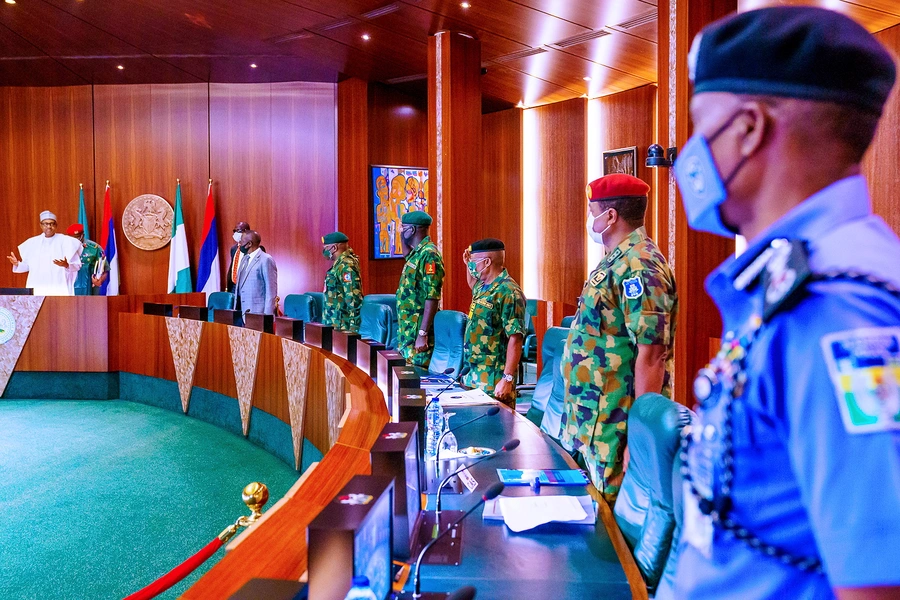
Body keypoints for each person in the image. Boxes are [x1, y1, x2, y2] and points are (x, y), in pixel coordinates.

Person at [658, 7, 900, 599]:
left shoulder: (836, 309)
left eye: (699, 128)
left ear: (749, 128)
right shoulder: (790, 279)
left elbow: (874, 579)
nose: (688, 155)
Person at [559, 174, 678, 503]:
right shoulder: (616, 260)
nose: (589, 217)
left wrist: (639, 437)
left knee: (610, 533)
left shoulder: (642, 266)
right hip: (592, 419)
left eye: (591, 209)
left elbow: (652, 355)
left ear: (610, 216)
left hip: (615, 424)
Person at [461, 238, 526, 409]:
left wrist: (508, 379)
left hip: (493, 379)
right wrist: (468, 263)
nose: (473, 267)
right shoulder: (483, 286)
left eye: (475, 262)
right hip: (473, 375)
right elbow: (471, 283)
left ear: (487, 262)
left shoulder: (508, 291)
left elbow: (516, 338)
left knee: (494, 433)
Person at [396, 210, 444, 368]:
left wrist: (422, 334)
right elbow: (406, 254)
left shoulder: (429, 255)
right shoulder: (416, 254)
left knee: (417, 376)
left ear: (413, 230)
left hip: (418, 330)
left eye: (404, 228)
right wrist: (402, 236)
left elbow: (432, 296)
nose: (401, 231)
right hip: (408, 330)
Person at [7, 211, 82, 296]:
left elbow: (77, 266)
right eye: (46, 224)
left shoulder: (66, 241)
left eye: (52, 224)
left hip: (58, 287)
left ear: (56, 225)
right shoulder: (32, 243)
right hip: (38, 287)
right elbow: (28, 266)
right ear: (41, 225)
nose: (49, 227)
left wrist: (66, 265)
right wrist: (17, 264)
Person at [321, 231, 363, 333]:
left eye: (326, 248)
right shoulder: (339, 264)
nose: (324, 251)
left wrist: (353, 332)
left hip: (342, 326)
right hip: (333, 324)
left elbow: (353, 300)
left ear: (334, 248)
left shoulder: (346, 265)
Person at [234, 231, 277, 316]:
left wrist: (267, 317)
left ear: (249, 244)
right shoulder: (244, 259)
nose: (239, 244)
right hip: (241, 311)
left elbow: (271, 291)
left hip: (257, 313)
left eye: (241, 241)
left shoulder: (266, 259)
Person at [65, 224, 108, 296]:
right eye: (73, 238)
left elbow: (105, 269)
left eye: (79, 237)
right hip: (67, 289)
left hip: (89, 289)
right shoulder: (62, 248)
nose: (76, 240)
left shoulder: (94, 248)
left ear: (83, 235)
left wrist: (100, 280)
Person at [227, 221, 251, 293]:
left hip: (247, 287)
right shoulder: (233, 249)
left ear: (246, 232)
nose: (235, 233)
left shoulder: (253, 249)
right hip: (233, 287)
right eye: (234, 231)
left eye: (238, 231)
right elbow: (232, 267)